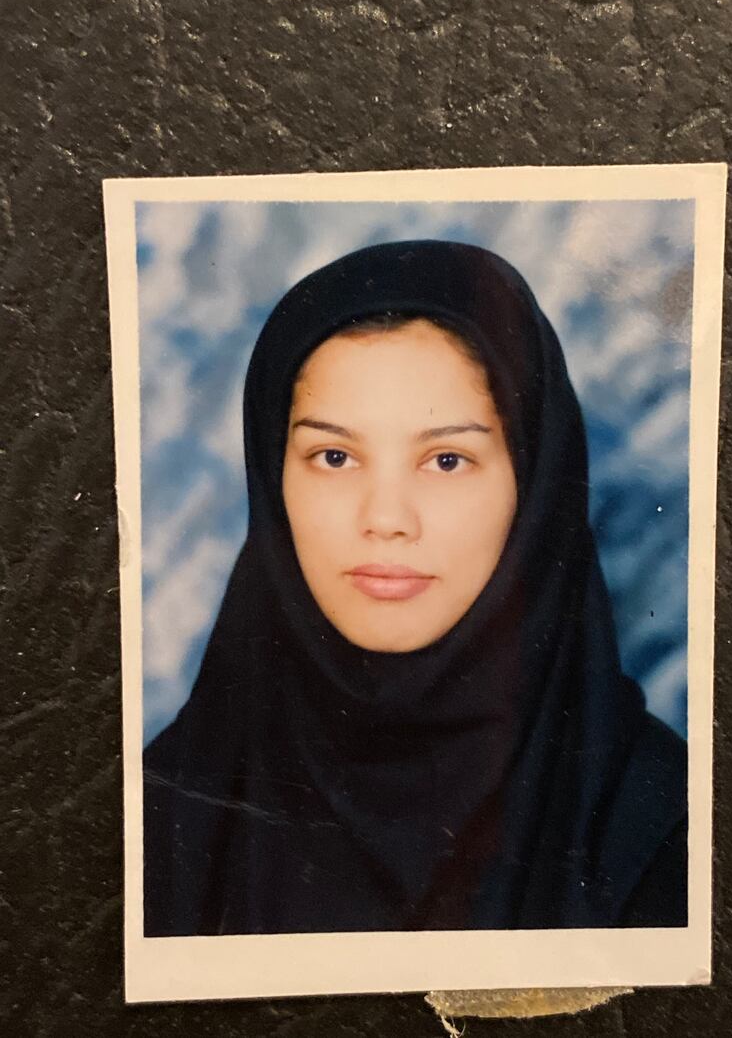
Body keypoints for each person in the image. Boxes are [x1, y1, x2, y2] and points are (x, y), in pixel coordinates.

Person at [143, 239, 687, 936]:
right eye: (334, 456)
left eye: (447, 459)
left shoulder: (672, 830)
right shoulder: (159, 814)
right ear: (273, 479)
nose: (386, 518)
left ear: (534, 485)